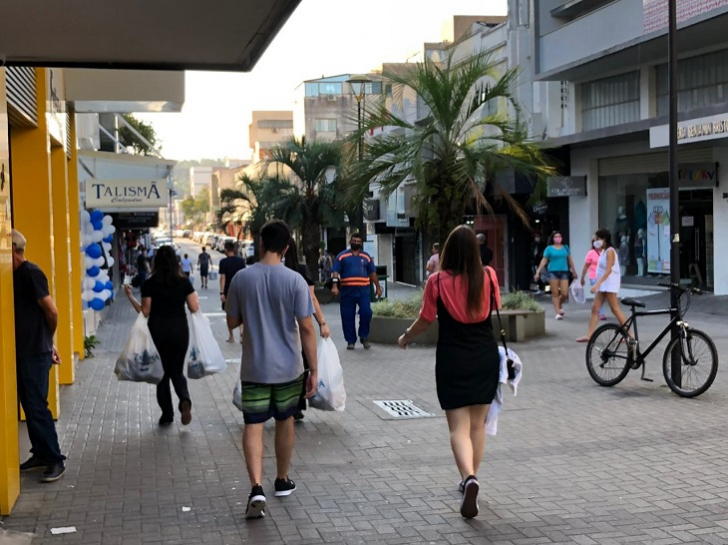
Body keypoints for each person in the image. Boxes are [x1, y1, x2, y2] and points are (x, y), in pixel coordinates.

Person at [397, 225, 501, 519]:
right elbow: (495, 307)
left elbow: (425, 319)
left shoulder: (437, 281)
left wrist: (405, 337)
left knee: (458, 427)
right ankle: (471, 478)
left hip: (453, 357)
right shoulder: (489, 276)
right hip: (484, 355)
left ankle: (468, 478)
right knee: (478, 426)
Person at [225, 220, 318, 519]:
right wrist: (313, 369)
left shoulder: (241, 278)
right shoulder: (295, 281)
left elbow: (231, 322)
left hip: (254, 367)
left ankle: (255, 486)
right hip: (289, 368)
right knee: (285, 420)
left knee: (253, 425)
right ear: (287, 248)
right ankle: (281, 479)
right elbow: (306, 327)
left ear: (260, 243)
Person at [123, 246, 200, 426]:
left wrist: (129, 296)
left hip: (157, 331)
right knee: (176, 371)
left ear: (156, 262)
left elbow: (145, 311)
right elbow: (194, 308)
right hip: (179, 330)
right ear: (175, 261)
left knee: (161, 373)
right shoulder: (184, 282)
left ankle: (167, 414)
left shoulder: (150, 283)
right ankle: (184, 400)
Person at [12, 230, 66, 483]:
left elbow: (51, 311)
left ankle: (54, 459)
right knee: (29, 407)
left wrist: (48, 340)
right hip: (24, 351)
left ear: (11, 248)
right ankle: (41, 454)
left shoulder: (30, 273)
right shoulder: (11, 275)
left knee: (37, 406)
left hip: (35, 351)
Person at [283, 237, 331, 421]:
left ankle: (284, 403)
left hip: (280, 325)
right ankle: (296, 406)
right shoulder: (300, 271)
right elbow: (312, 298)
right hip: (298, 325)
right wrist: (322, 322)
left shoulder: (268, 271)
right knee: (300, 364)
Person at [331, 233, 382, 350]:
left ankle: (364, 336)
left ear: (361, 243)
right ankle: (350, 341)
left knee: (366, 312)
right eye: (354, 241)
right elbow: (335, 273)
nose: (356, 243)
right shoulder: (342, 256)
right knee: (347, 315)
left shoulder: (366, 257)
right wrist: (335, 286)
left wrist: (378, 287)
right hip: (347, 291)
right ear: (350, 242)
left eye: (358, 241)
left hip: (363, 291)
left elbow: (372, 273)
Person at [577, 229, 629, 342]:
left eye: (598, 239)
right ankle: (589, 335)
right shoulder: (603, 251)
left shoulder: (610, 251)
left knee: (615, 309)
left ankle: (629, 334)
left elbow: (608, 270)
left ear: (604, 239)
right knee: (595, 308)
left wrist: (596, 284)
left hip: (609, 283)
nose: (595, 241)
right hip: (603, 283)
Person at [534, 231, 578, 320]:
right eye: (556, 236)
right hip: (552, 272)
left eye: (559, 236)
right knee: (555, 293)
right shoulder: (549, 249)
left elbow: (570, 260)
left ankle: (559, 304)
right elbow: (544, 260)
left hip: (564, 271)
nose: (558, 238)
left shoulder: (565, 248)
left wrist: (574, 271)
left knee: (564, 293)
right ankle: (558, 312)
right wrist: (538, 272)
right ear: (553, 238)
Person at [219, 241, 246, 343]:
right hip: (240, 290)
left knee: (229, 313)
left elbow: (223, 278)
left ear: (226, 249)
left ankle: (231, 337)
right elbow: (244, 276)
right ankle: (242, 335)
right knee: (241, 312)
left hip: (228, 292)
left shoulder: (223, 262)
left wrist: (222, 293)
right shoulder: (241, 261)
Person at [579, 236, 606, 326]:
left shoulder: (605, 252)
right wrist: (582, 278)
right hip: (594, 276)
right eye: (595, 241)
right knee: (599, 293)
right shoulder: (591, 253)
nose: (598, 242)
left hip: (604, 277)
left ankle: (595, 308)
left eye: (599, 240)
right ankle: (601, 313)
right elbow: (586, 266)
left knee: (602, 295)